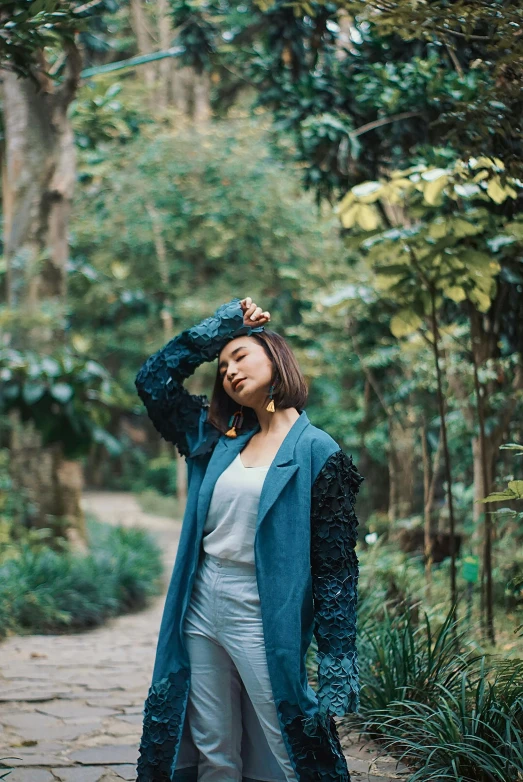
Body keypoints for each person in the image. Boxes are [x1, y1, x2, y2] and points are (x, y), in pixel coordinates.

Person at [134, 296, 364, 782]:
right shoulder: (215, 437)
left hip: (261, 609)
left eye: (240, 356)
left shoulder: (318, 451)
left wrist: (339, 662)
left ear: (275, 357)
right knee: (215, 750)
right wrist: (224, 327)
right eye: (222, 367)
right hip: (200, 605)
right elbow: (153, 381)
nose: (229, 371)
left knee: (289, 745)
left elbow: (335, 571)